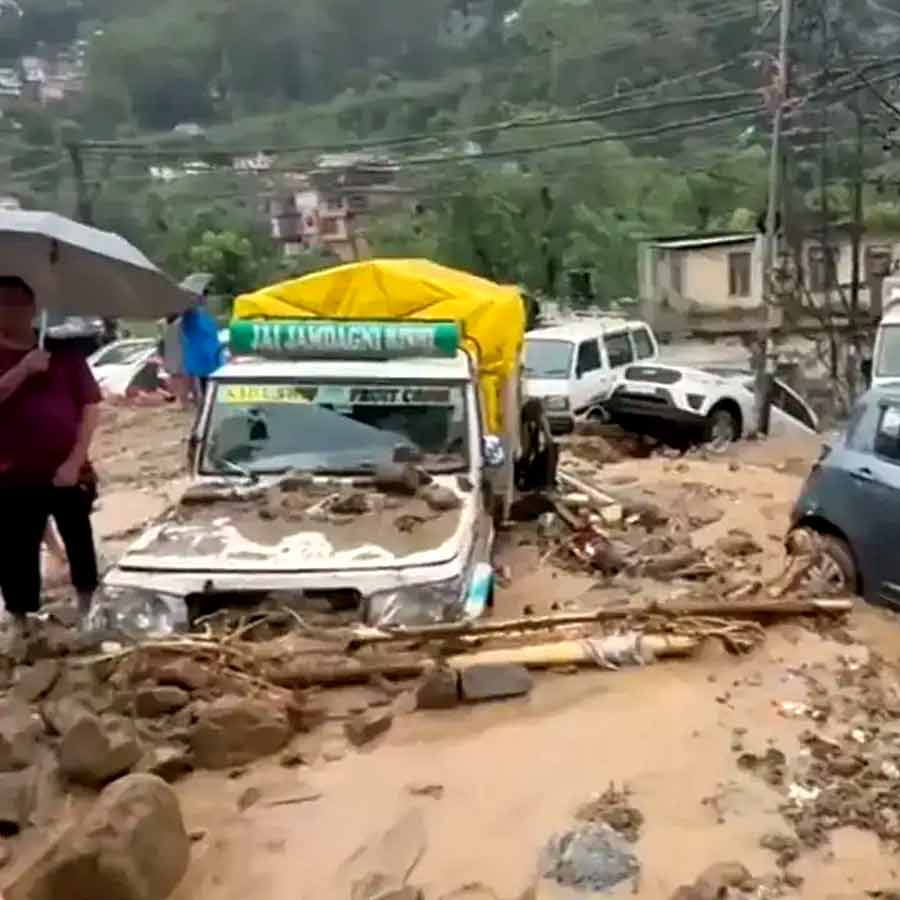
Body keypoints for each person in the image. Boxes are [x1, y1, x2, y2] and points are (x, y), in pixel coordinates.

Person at [0, 277, 102, 629]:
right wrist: (23, 369)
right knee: (15, 549)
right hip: (11, 471)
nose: (10, 310)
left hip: (67, 468)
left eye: (17, 303)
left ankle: (88, 609)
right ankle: (21, 621)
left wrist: (75, 460)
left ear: (32, 308)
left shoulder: (65, 353)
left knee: (79, 537)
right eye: (2, 303)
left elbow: (90, 407)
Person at [180, 290, 223, 403]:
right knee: (203, 377)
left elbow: (211, 331)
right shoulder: (189, 313)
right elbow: (187, 330)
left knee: (210, 377)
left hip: (211, 350)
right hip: (200, 351)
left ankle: (207, 400)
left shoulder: (204, 313)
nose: (204, 299)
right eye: (201, 297)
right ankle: (203, 400)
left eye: (204, 297)